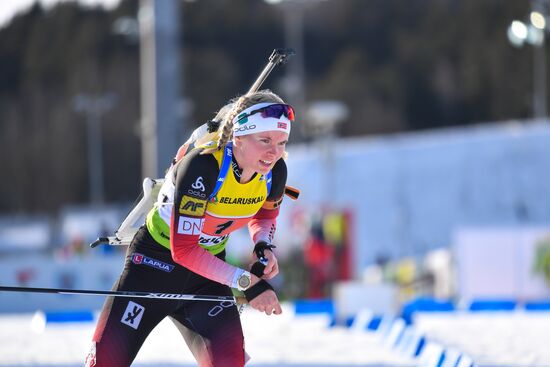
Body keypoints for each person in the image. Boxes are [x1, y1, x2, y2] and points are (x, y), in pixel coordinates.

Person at [86, 90, 296, 367]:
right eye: (265, 140)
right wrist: (248, 283)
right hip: (152, 266)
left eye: (281, 142)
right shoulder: (204, 167)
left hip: (207, 276)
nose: (274, 152)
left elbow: (265, 215)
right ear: (239, 137)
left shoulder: (275, 171)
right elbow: (184, 251)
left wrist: (262, 247)